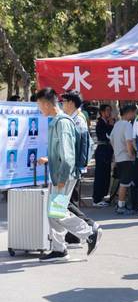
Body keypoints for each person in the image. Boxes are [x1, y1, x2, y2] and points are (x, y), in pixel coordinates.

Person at [35, 88, 101, 262]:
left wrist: (62, 179)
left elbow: (68, 155)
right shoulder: (56, 121)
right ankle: (59, 249)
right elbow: (60, 152)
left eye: (39, 105)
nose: (39, 109)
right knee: (53, 213)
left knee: (57, 212)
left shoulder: (62, 123)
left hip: (63, 176)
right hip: (58, 175)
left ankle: (89, 233)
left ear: (46, 104)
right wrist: (49, 159)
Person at [60, 90, 100, 241]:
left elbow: (82, 146)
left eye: (64, 102)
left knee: (67, 202)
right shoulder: (73, 118)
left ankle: (89, 226)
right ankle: (75, 234)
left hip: (73, 168)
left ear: (71, 103)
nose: (62, 105)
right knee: (70, 201)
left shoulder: (78, 120)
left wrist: (79, 166)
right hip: (73, 167)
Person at [110, 104, 137, 214]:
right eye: (134, 113)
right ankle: (121, 206)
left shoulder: (117, 124)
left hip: (119, 157)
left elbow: (111, 139)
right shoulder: (127, 125)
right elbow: (129, 141)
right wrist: (131, 154)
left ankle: (122, 204)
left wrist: (116, 152)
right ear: (129, 113)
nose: (135, 115)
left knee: (124, 181)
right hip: (126, 157)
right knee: (125, 183)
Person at [92, 104, 114, 207]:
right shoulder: (100, 123)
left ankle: (101, 197)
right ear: (102, 112)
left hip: (107, 151)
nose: (109, 113)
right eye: (107, 110)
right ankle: (96, 199)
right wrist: (110, 126)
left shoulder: (107, 122)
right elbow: (106, 136)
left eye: (110, 110)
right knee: (100, 175)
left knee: (106, 175)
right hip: (102, 151)